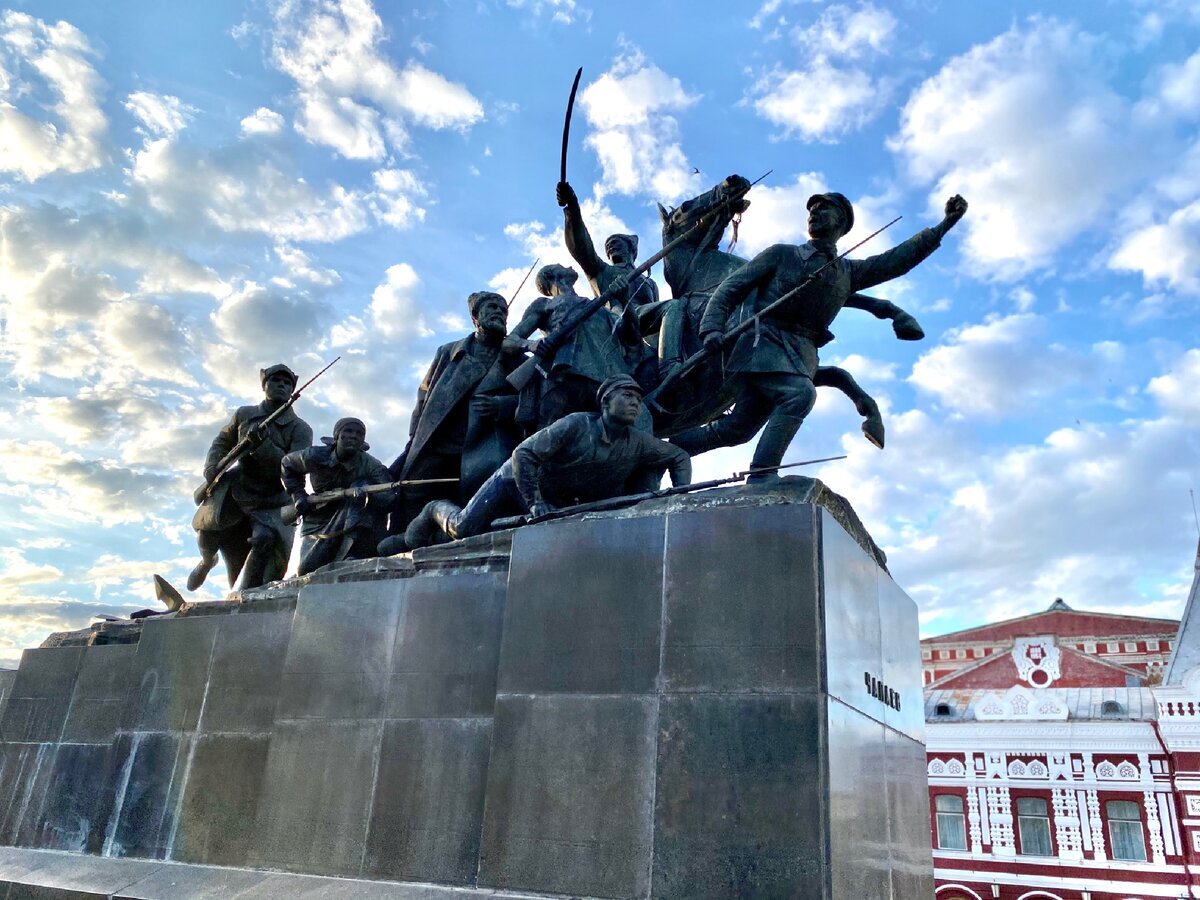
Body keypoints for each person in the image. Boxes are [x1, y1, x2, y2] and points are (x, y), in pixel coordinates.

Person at [672, 192, 968, 477]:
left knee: (737, 429)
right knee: (799, 395)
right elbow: (730, 288)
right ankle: (762, 475)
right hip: (763, 342)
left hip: (802, 352)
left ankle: (664, 453)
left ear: (842, 221)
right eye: (811, 210)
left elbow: (895, 261)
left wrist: (943, 226)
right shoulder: (782, 254)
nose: (814, 214)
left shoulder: (848, 272)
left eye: (823, 209)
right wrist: (710, 327)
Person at [405, 375, 692, 547]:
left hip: (555, 500)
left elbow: (679, 456)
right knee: (462, 528)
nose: (635, 404)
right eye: (627, 396)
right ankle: (432, 512)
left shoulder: (637, 441)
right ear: (605, 402)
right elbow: (522, 455)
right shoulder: (576, 424)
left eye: (638, 401)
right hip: (515, 482)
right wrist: (535, 501)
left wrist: (680, 493)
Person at [386, 291, 523, 539]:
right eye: (493, 307)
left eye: (504, 311)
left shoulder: (515, 357)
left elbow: (532, 398)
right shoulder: (449, 352)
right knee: (413, 493)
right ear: (475, 315)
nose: (500, 313)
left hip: (482, 444)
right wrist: (414, 438)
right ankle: (404, 544)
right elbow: (423, 397)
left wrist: (502, 406)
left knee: (473, 499)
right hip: (437, 439)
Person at [188, 364, 313, 591]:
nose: (282, 386)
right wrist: (212, 466)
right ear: (265, 385)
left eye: (287, 383)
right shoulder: (244, 414)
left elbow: (293, 467)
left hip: (273, 498)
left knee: (265, 541)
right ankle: (207, 561)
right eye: (276, 381)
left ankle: (246, 593)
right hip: (237, 487)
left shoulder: (301, 428)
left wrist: (263, 446)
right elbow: (222, 441)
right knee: (207, 533)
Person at [508, 263, 645, 429]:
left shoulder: (598, 306)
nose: (569, 265)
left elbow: (631, 336)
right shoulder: (544, 304)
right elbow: (510, 340)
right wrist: (530, 344)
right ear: (551, 275)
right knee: (551, 440)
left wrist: (625, 300)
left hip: (606, 383)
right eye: (561, 265)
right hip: (564, 380)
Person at [557, 180, 659, 383]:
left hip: (651, 329)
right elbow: (581, 249)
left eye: (616, 243)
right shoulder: (603, 271)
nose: (611, 247)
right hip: (620, 322)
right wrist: (573, 210)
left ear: (631, 248)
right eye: (608, 246)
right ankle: (670, 364)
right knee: (674, 307)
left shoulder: (649, 282)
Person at [281, 417, 392, 575]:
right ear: (337, 436)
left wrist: (366, 495)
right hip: (318, 519)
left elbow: (389, 497)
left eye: (359, 433)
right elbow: (287, 464)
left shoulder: (372, 465)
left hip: (354, 517)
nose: (353, 436)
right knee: (306, 570)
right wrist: (298, 495)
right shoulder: (315, 455)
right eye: (348, 431)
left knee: (361, 492)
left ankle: (354, 555)